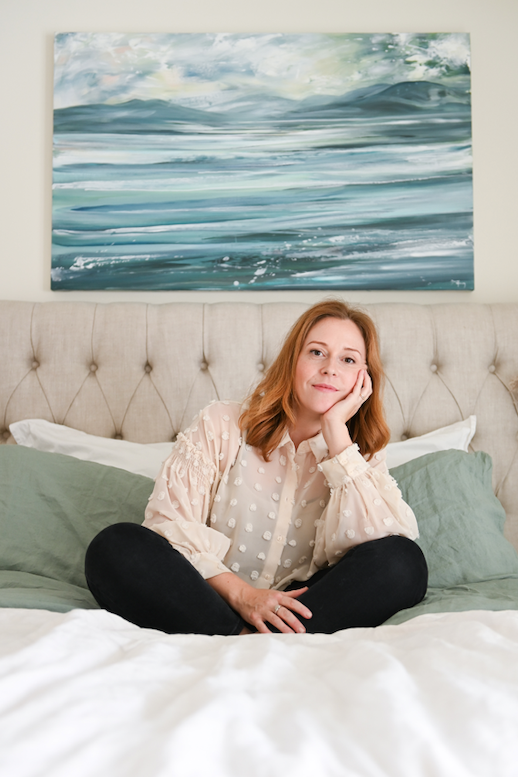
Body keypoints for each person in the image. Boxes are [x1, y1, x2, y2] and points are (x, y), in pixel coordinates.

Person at [85, 300, 427, 636]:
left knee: (404, 562)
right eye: (316, 352)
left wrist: (337, 434)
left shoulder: (359, 452)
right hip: (208, 596)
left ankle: (262, 640)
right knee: (114, 546)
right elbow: (168, 526)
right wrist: (244, 597)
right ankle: (241, 637)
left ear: (363, 380)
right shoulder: (222, 423)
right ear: (292, 361)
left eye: (348, 359)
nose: (330, 369)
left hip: (308, 607)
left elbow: (378, 549)